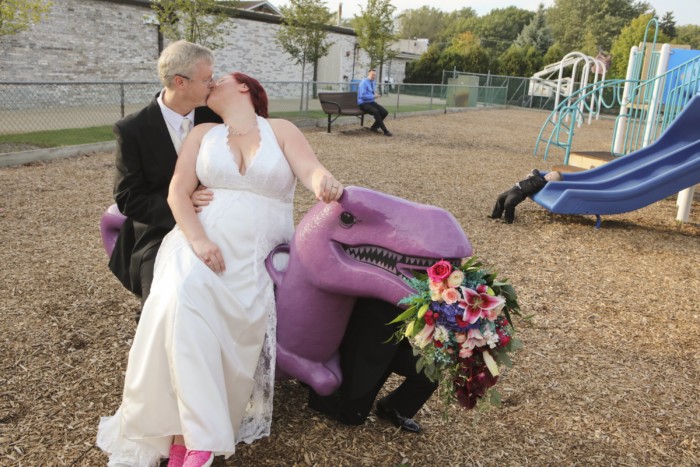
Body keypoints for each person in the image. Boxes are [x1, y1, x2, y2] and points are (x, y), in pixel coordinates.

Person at [96, 72, 344, 467]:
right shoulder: (202, 133)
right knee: (183, 296)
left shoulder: (280, 129)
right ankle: (198, 442)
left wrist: (323, 182)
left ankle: (182, 440)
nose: (211, 83)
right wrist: (197, 240)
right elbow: (178, 192)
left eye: (221, 78)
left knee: (225, 318)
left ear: (244, 87)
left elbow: (311, 169)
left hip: (255, 254)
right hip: (197, 243)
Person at [108, 40, 222, 321]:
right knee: (164, 302)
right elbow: (128, 197)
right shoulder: (132, 129)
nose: (214, 84)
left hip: (219, 216)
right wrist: (183, 206)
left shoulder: (216, 115)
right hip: (159, 229)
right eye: (207, 79)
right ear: (180, 82)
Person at [308, 298, 438, 433]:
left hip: (392, 338)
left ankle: (393, 408)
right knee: (352, 417)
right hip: (365, 338)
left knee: (429, 376)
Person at [489, 169, 562, 224]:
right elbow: (534, 179)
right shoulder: (540, 179)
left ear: (553, 181)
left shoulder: (543, 182)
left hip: (520, 192)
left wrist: (534, 170)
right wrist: (530, 177)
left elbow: (536, 174)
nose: (549, 174)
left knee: (509, 203)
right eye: (550, 173)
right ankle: (496, 215)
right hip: (516, 188)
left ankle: (508, 220)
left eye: (552, 175)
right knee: (501, 197)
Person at [357, 69, 392, 137]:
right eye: (372, 74)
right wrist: (373, 96)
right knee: (376, 111)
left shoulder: (373, 82)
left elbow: (372, 92)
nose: (374, 76)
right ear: (368, 74)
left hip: (371, 102)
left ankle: (374, 127)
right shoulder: (363, 82)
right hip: (363, 103)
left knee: (384, 112)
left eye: (375, 75)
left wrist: (375, 94)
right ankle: (385, 131)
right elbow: (362, 96)